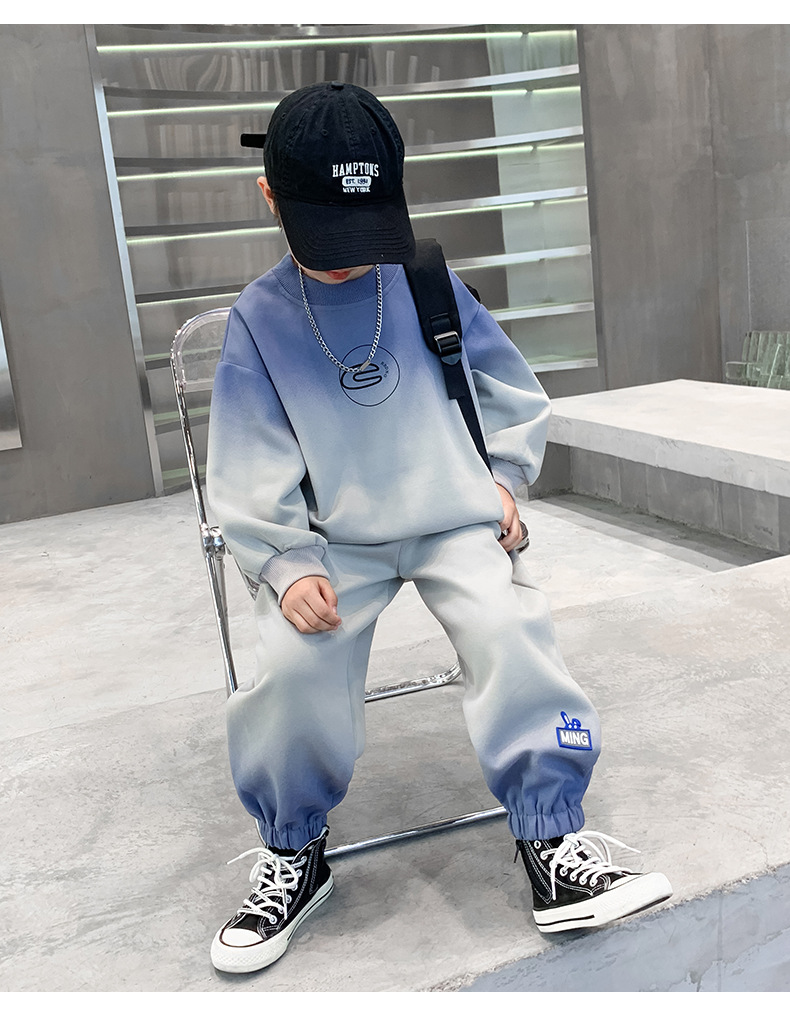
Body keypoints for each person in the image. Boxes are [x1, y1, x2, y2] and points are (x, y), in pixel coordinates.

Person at [205, 81, 672, 975]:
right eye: (326, 236)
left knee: (510, 632)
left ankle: (550, 839)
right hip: (335, 542)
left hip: (454, 517)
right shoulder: (259, 320)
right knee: (294, 670)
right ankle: (295, 850)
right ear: (270, 197)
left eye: (364, 230)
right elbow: (248, 457)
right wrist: (285, 559)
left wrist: (505, 477)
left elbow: (509, 389)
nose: (347, 260)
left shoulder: (424, 279)